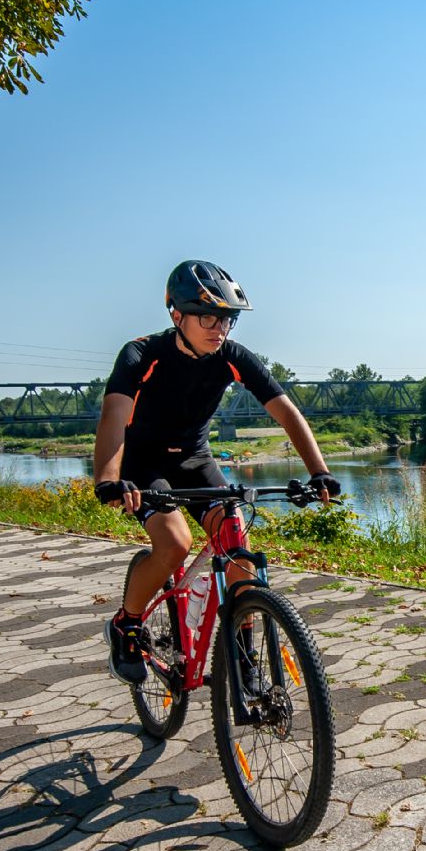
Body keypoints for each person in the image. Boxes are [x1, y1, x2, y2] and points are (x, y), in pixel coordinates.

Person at [94, 260, 340, 684]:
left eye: (227, 319)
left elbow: (287, 413)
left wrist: (319, 471)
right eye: (208, 317)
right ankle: (126, 624)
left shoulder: (232, 357)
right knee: (175, 543)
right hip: (144, 463)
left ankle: (244, 659)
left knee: (236, 541)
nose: (219, 328)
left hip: (195, 459)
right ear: (177, 315)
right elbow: (114, 416)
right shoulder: (141, 354)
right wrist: (108, 479)